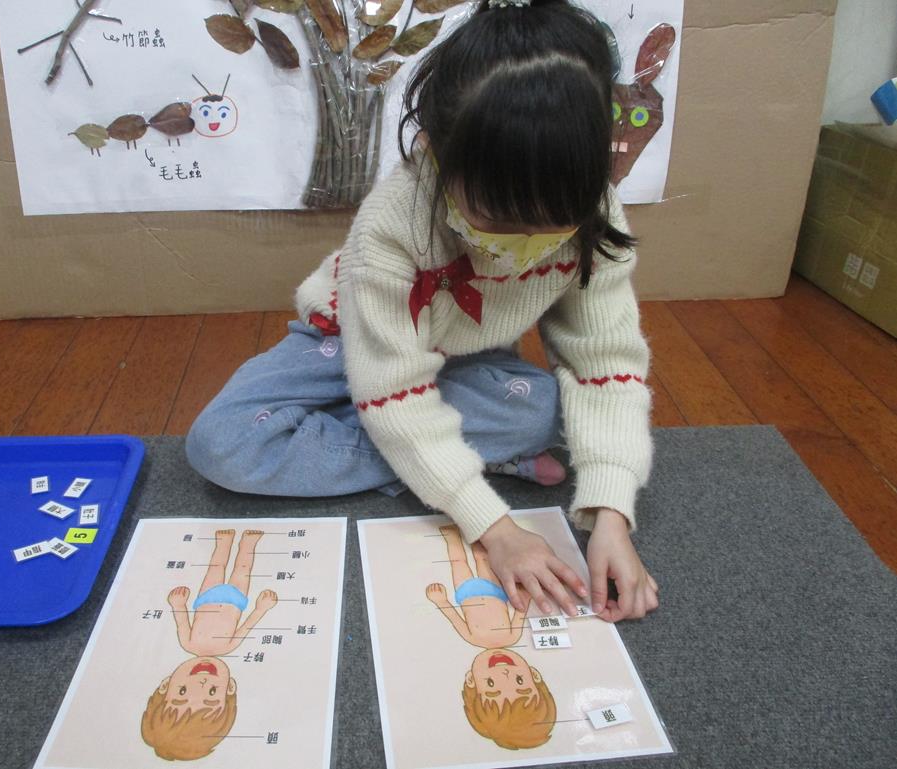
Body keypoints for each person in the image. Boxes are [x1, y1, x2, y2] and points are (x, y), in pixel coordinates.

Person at [187, 0, 659, 624]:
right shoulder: (392, 226)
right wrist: (494, 526)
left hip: (464, 351)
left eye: (552, 225)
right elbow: (392, 387)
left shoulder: (596, 213)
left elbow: (605, 364)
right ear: (436, 151)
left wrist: (611, 515)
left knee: (549, 410)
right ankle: (443, 453)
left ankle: (423, 450)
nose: (525, 244)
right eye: (498, 219)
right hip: (350, 334)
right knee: (221, 444)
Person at [141, 529, 277, 760]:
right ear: (229, 688)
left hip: (207, 597)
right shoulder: (228, 647)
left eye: (182, 691)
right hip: (236, 600)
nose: (202, 683)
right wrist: (261, 608)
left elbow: (181, 621)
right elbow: (246, 626)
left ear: (166, 684)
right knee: (243, 569)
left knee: (216, 567)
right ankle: (248, 544)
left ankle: (223, 543)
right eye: (212, 693)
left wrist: (178, 604)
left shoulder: (188, 643)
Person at [427, 524, 557, 749]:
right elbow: (520, 611)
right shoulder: (511, 637)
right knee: (483, 558)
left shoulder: (473, 639)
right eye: (519, 681)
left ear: (471, 680)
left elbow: (455, 619)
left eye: (490, 684)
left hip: (465, 592)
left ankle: (452, 537)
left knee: (458, 562)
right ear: (533, 675)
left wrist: (441, 602)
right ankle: (478, 534)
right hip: (495, 591)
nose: (504, 674)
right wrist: (524, 597)